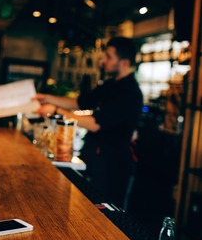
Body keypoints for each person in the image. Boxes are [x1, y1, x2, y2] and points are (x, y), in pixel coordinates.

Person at [35, 36, 143, 208]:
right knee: (83, 207)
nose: (103, 61)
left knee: (105, 214)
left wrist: (56, 111)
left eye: (108, 57)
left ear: (124, 62)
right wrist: (47, 98)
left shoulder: (129, 92)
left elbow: (96, 124)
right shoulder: (111, 85)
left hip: (113, 165)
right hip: (94, 157)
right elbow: (79, 102)